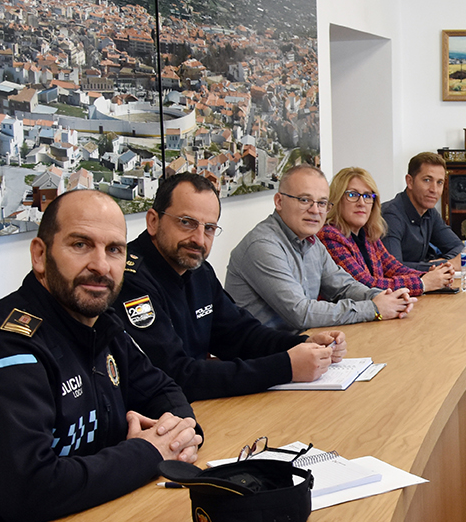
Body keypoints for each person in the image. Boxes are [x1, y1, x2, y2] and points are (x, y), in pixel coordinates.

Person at [0, 189, 202, 522]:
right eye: (81, 245)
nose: (101, 265)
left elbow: (164, 389)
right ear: (40, 255)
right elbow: (31, 491)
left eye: (114, 250)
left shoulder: (99, 324)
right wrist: (147, 453)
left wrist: (176, 434)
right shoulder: (1, 350)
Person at [118, 171, 348, 402]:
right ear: (153, 221)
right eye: (186, 223)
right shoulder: (129, 280)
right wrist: (285, 367)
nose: (199, 239)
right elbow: (176, 375)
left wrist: (303, 344)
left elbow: (240, 335)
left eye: (209, 228)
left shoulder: (197, 269)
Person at [226, 164, 413, 330]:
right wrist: (374, 308)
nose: (315, 210)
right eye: (304, 200)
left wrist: (385, 297)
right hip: (268, 353)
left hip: (306, 342)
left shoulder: (311, 241)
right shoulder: (263, 245)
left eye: (322, 203)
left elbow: (344, 287)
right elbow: (301, 313)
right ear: (279, 202)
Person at [319, 166, 455, 294]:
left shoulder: (368, 233)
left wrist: (431, 275)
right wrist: (423, 283)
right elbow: (364, 285)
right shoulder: (329, 235)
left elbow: (393, 267)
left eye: (367, 196)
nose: (361, 203)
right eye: (353, 195)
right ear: (337, 198)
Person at [382, 151, 463, 270]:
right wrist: (446, 264)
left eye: (439, 182)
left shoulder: (430, 212)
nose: (434, 189)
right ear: (410, 181)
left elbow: (459, 248)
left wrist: (445, 262)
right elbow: (393, 267)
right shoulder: (390, 215)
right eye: (427, 180)